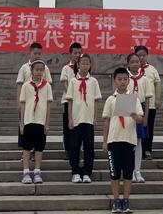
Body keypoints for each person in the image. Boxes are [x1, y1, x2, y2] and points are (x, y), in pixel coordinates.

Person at [102, 67, 143, 214]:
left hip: (129, 140)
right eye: (119, 79)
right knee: (114, 173)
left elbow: (140, 119)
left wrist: (134, 115)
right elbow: (106, 121)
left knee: (127, 173)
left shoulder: (134, 99)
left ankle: (126, 201)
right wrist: (105, 141)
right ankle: (116, 201)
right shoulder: (110, 99)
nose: (122, 82)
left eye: (125, 79)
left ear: (129, 81)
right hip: (114, 140)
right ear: (115, 81)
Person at [67, 53, 101, 183]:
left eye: (87, 63)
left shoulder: (93, 81)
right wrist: (70, 118)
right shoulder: (73, 81)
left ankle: (87, 172)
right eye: (83, 63)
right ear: (78, 65)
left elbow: (96, 101)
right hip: (76, 119)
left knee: (89, 148)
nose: (85, 65)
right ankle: (75, 171)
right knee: (74, 146)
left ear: (90, 65)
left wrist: (95, 117)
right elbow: (70, 101)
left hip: (88, 119)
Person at [19, 59, 53, 184]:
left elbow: (49, 105)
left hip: (40, 121)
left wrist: (47, 123)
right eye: (36, 70)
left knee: (39, 148)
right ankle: (26, 172)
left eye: (41, 70)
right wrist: (21, 123)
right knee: (27, 148)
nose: (39, 72)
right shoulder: (26, 86)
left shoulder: (47, 86)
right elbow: (22, 105)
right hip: (28, 120)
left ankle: (37, 171)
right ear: (32, 71)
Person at [16, 43, 53, 148]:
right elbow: (19, 85)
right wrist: (19, 102)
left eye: (39, 53)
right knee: (24, 127)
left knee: (38, 129)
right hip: (26, 103)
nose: (37, 55)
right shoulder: (24, 68)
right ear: (30, 53)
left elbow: (48, 83)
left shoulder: (45, 68)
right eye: (35, 53)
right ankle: (25, 151)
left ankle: (35, 151)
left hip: (40, 103)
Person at [127, 52, 153, 183]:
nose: (135, 64)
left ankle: (137, 170)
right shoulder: (125, 78)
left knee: (138, 142)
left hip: (141, 109)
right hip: (128, 107)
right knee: (129, 142)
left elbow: (148, 100)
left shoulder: (145, 79)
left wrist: (146, 117)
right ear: (128, 64)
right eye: (132, 62)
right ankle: (129, 170)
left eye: (137, 61)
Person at [135, 45, 162, 160]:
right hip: (135, 105)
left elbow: (157, 84)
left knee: (148, 127)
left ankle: (147, 150)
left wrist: (158, 99)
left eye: (143, 55)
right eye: (139, 55)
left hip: (149, 105)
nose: (141, 58)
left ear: (147, 56)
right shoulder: (131, 69)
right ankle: (135, 150)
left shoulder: (152, 69)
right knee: (135, 127)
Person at [60, 42, 82, 160]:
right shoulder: (66, 68)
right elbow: (65, 83)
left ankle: (77, 148)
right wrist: (72, 95)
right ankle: (68, 149)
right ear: (70, 54)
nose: (77, 55)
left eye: (79, 53)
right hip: (67, 101)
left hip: (80, 103)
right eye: (75, 53)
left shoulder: (82, 68)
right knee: (67, 127)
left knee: (78, 126)